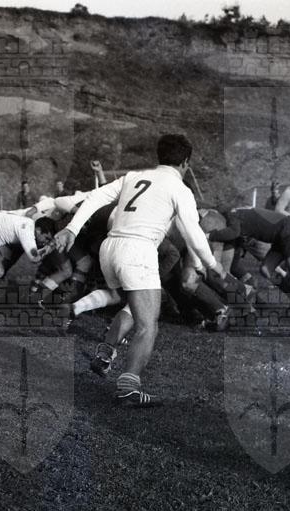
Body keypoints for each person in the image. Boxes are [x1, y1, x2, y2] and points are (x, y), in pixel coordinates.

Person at [54, 133, 226, 407]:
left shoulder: (133, 176)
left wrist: (72, 228)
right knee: (148, 325)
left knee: (134, 307)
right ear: (185, 162)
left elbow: (95, 197)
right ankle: (128, 388)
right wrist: (214, 265)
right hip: (137, 250)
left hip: (110, 248)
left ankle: (105, 353)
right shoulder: (180, 188)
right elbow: (193, 233)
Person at [208, 207, 290, 291]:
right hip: (280, 237)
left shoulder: (233, 214)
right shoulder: (241, 212)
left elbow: (233, 232)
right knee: (265, 270)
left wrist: (209, 235)